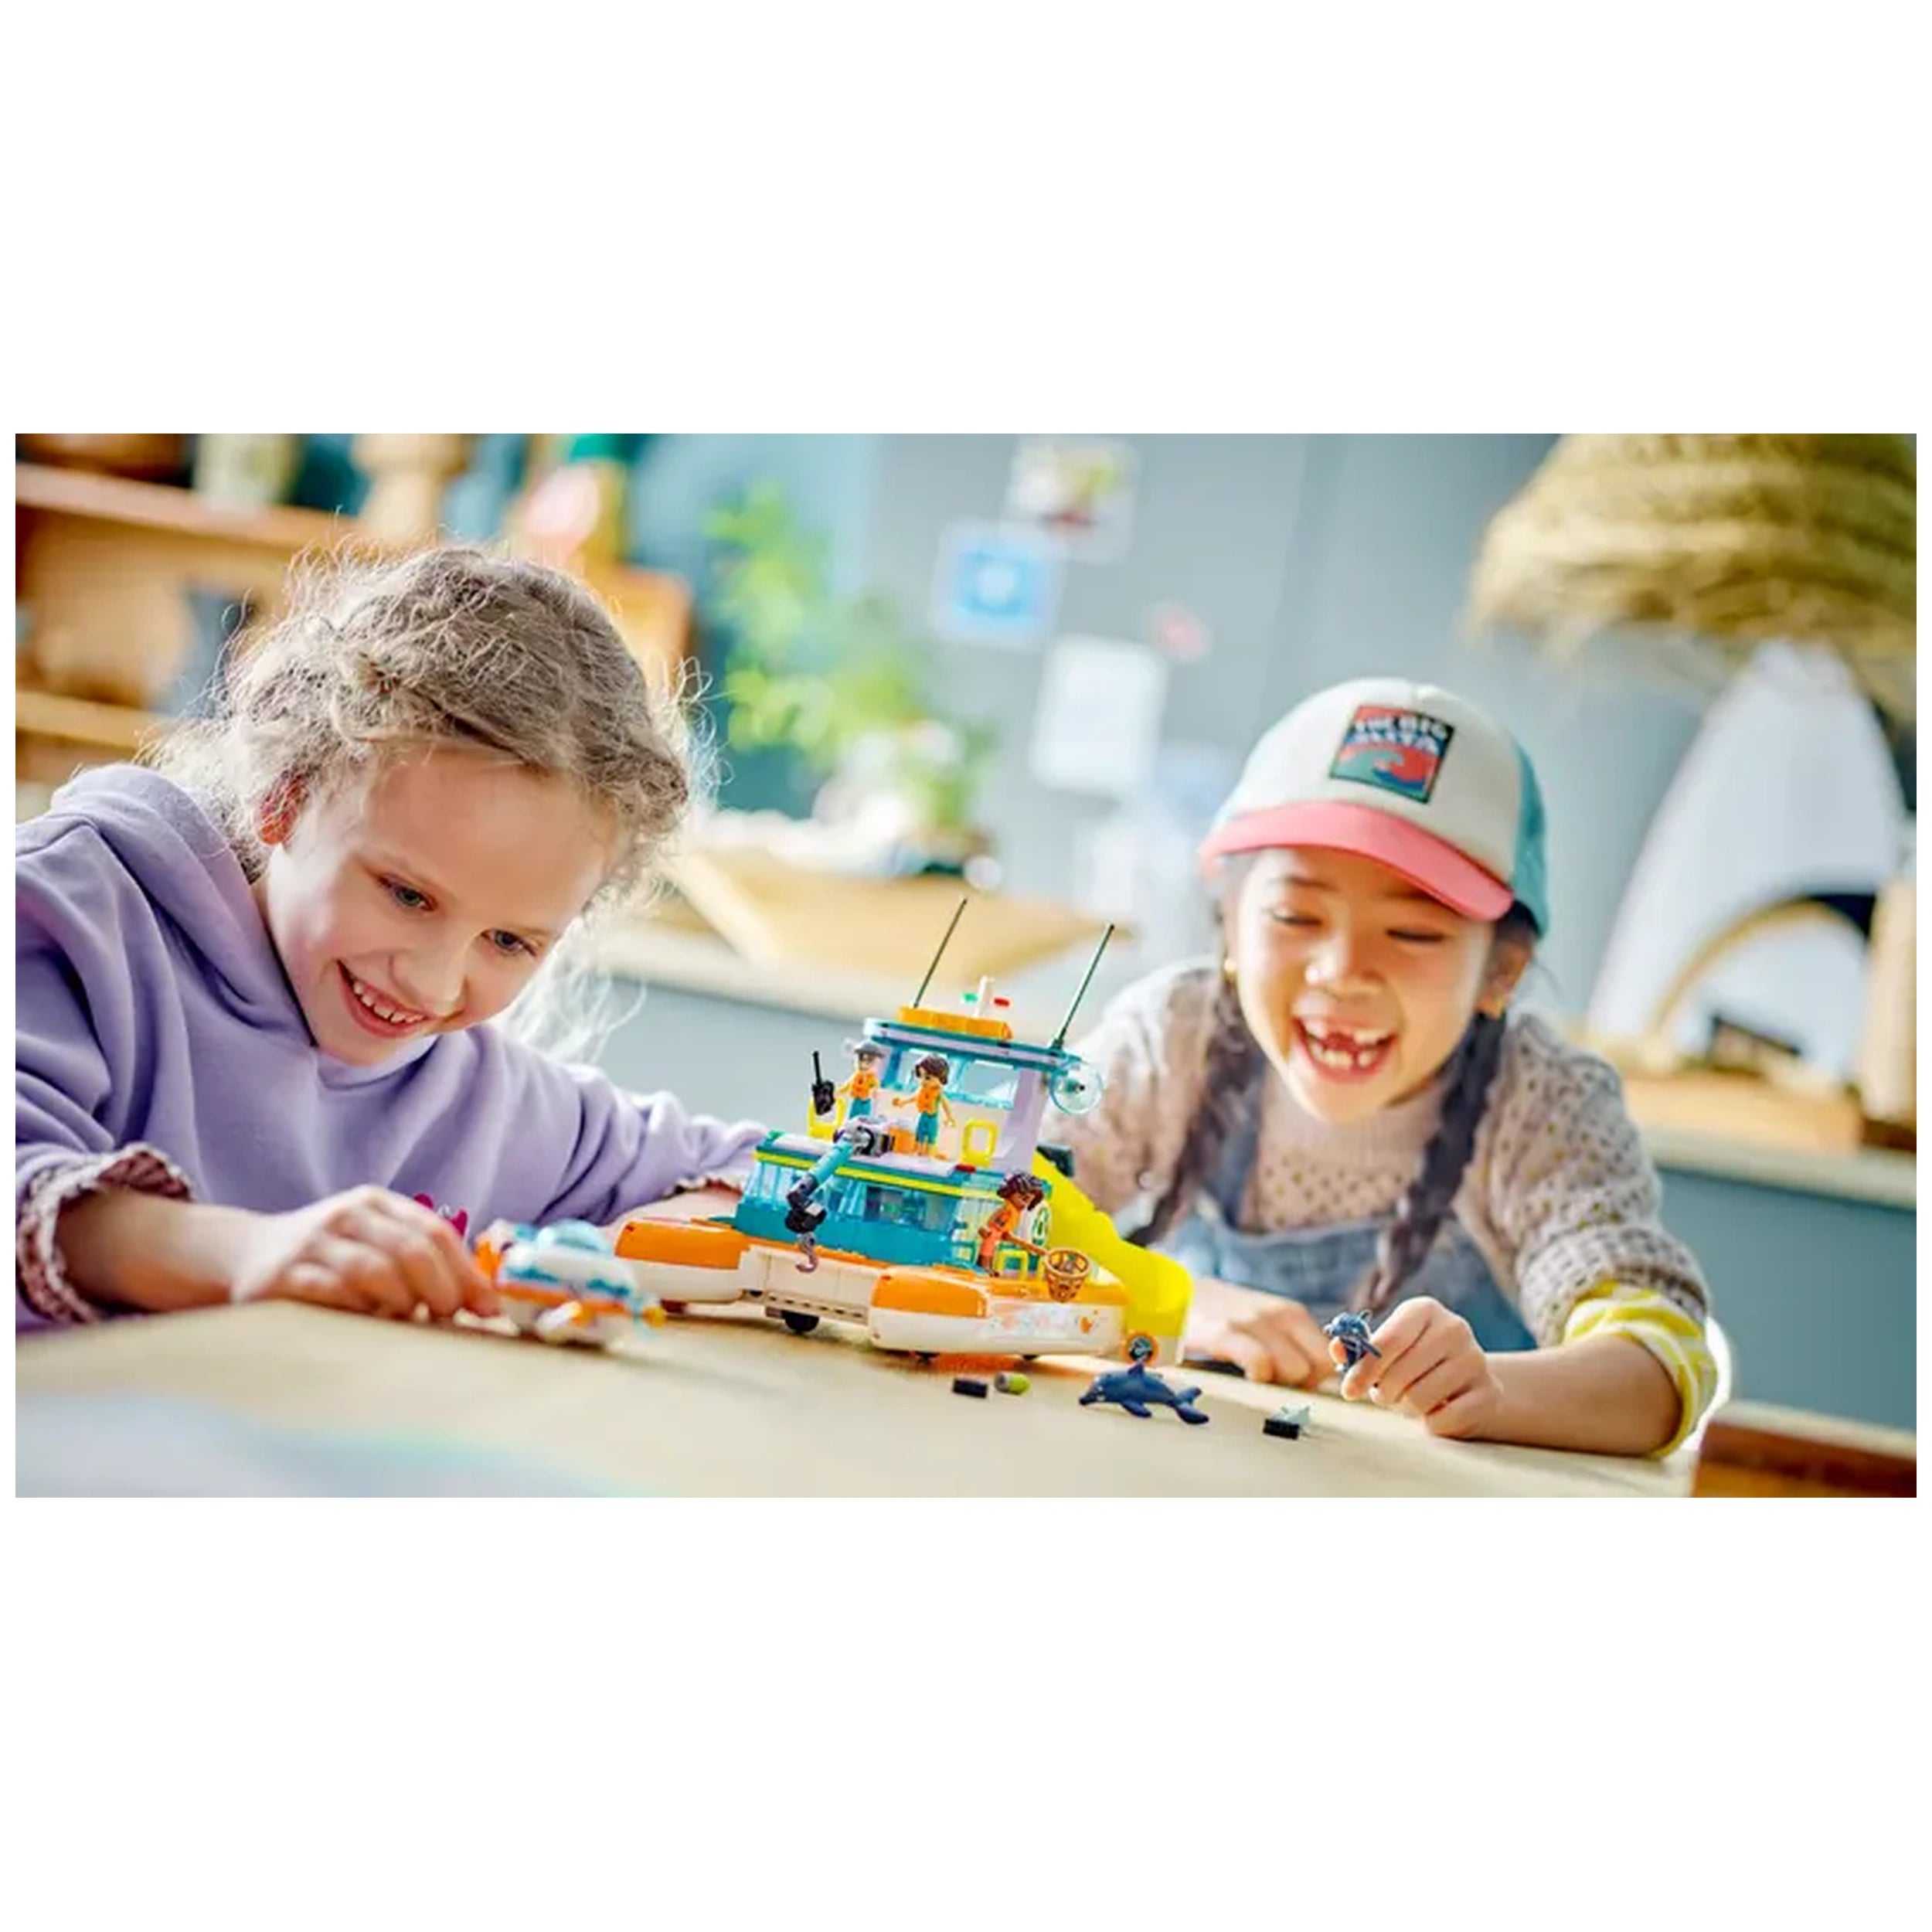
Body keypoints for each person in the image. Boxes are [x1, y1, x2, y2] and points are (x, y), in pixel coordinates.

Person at [16, 546, 763, 1333]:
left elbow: (769, 1180)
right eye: (407, 894)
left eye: (509, 941)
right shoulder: (76, 912)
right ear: (285, 795)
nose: (433, 985)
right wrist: (244, 1255)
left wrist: (592, 1260)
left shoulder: (488, 1099)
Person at [1056, 677, 1717, 1457]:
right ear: (1230, 924)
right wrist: (1157, 1300)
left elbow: (1657, 1367)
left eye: (1412, 932)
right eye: (1295, 915)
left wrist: (1496, 1392)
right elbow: (988, 1211)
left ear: (1502, 969)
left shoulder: (1538, 1104)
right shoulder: (1173, 1039)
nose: (1342, 970)